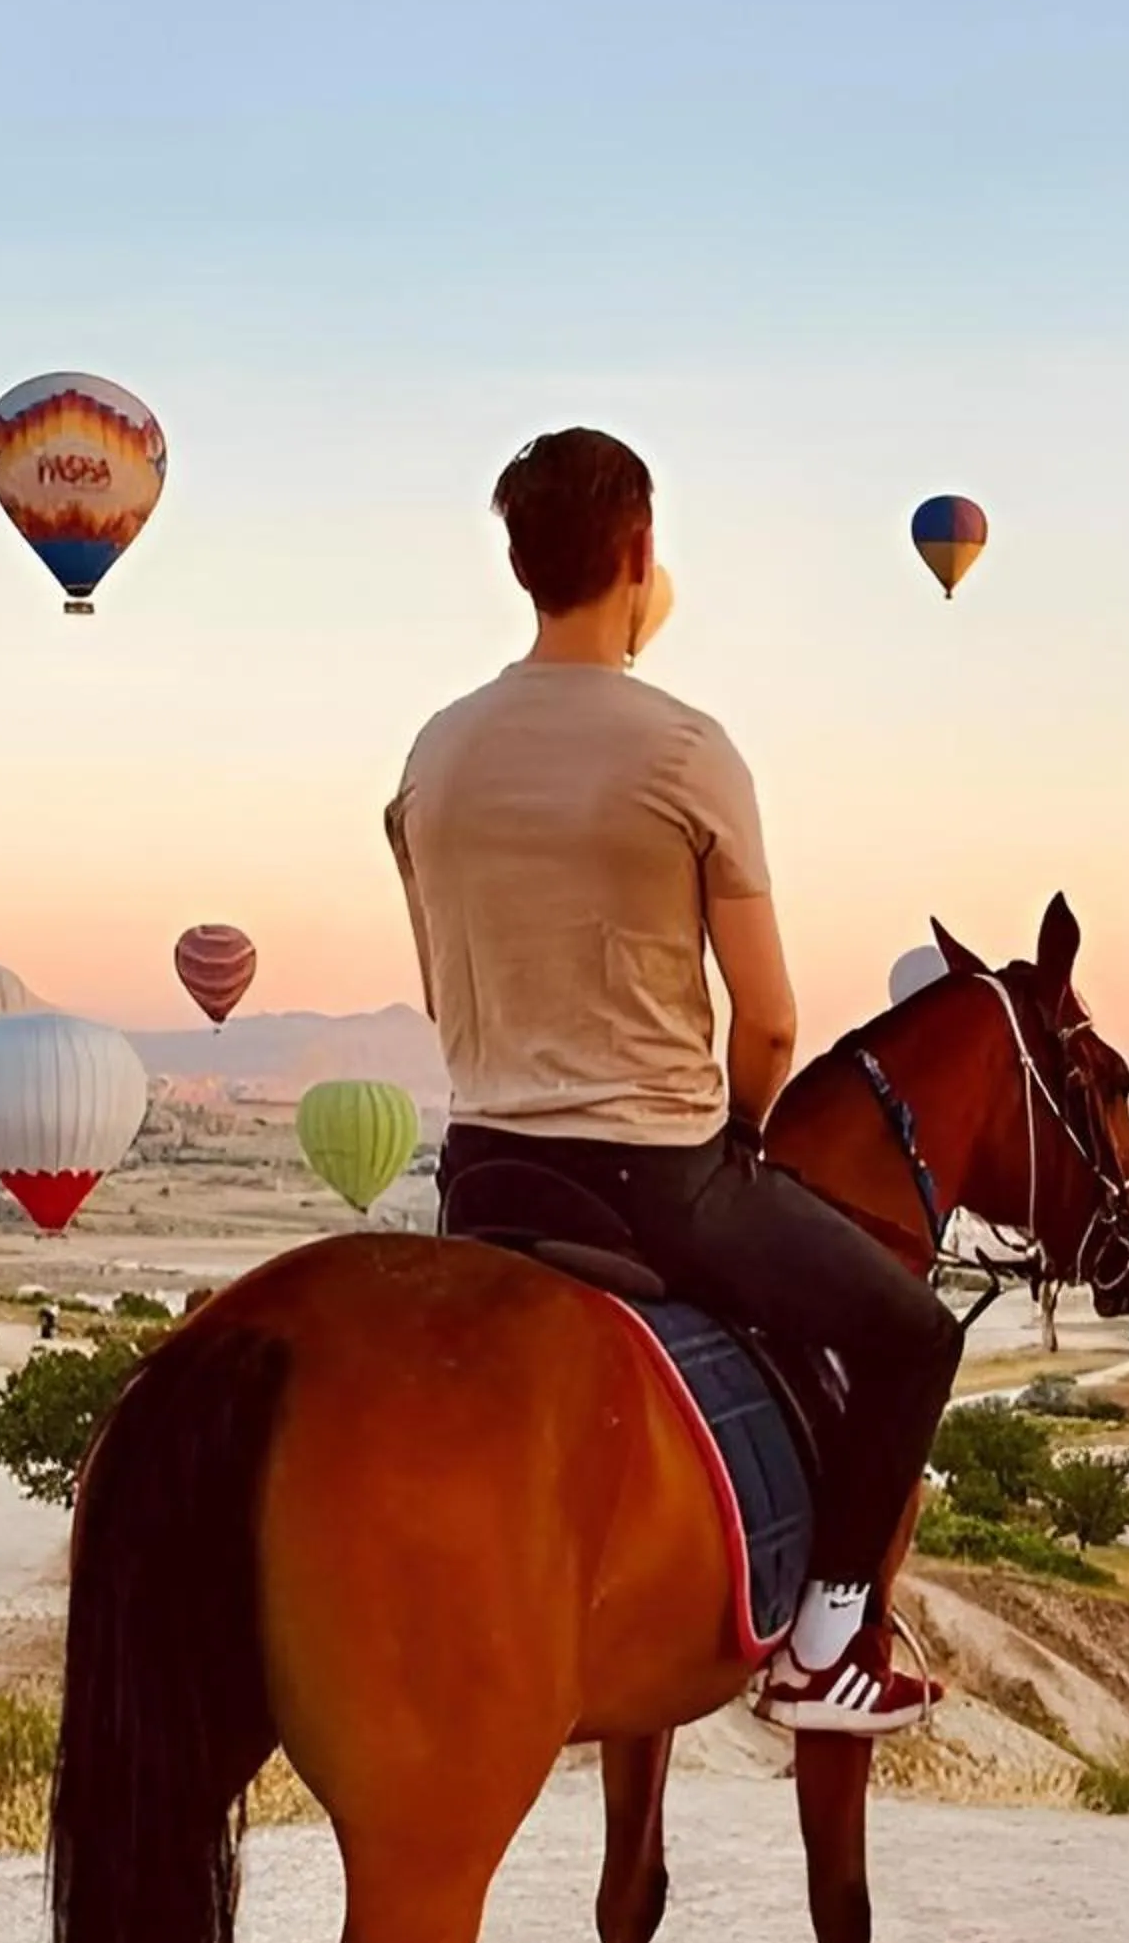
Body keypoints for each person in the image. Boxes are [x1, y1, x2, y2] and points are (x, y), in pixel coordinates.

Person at [387, 427, 964, 1726]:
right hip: (655, 1175)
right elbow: (767, 1020)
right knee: (914, 1336)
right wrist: (745, 1133)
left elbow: (438, 987)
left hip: (482, 1168)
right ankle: (824, 1649)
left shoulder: (434, 755)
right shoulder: (686, 749)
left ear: (522, 562)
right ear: (641, 552)